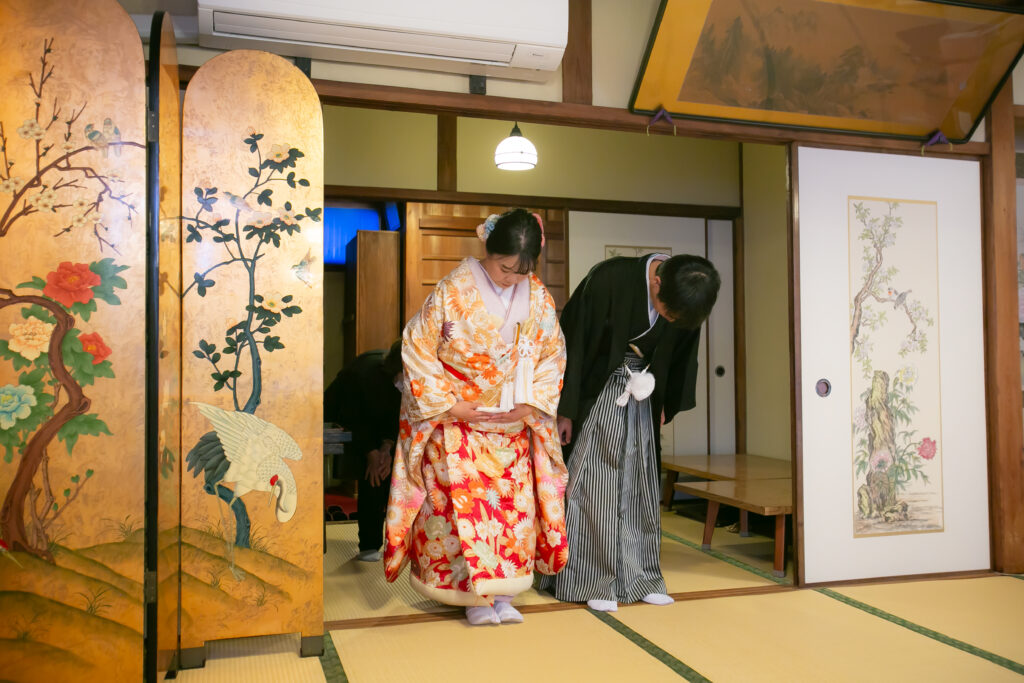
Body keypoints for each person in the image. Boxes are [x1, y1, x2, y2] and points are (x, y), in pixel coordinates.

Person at [384, 208, 568, 626]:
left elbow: (553, 354)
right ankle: (470, 596)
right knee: (459, 513)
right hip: (458, 423)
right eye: (505, 268)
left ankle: (504, 592)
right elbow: (416, 346)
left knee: (511, 513)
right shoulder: (452, 290)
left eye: (522, 272)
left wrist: (532, 402)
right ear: (488, 248)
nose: (512, 279)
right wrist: (448, 404)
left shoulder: (539, 297)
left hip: (512, 426)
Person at [544, 252, 720, 612]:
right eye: (668, 314)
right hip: (599, 393)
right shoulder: (609, 278)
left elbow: (682, 356)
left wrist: (666, 402)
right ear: (656, 282)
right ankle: (590, 578)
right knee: (594, 486)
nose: (671, 320)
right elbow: (572, 341)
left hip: (643, 397)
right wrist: (567, 409)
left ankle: (640, 577)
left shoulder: (686, 299)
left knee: (639, 485)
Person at [324, 340, 404, 561]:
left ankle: (383, 542)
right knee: (370, 470)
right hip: (342, 418)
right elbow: (353, 417)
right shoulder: (364, 374)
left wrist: (386, 448)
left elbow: (395, 418)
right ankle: (369, 544)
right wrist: (372, 453)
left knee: (384, 469)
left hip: (377, 428)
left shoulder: (407, 382)